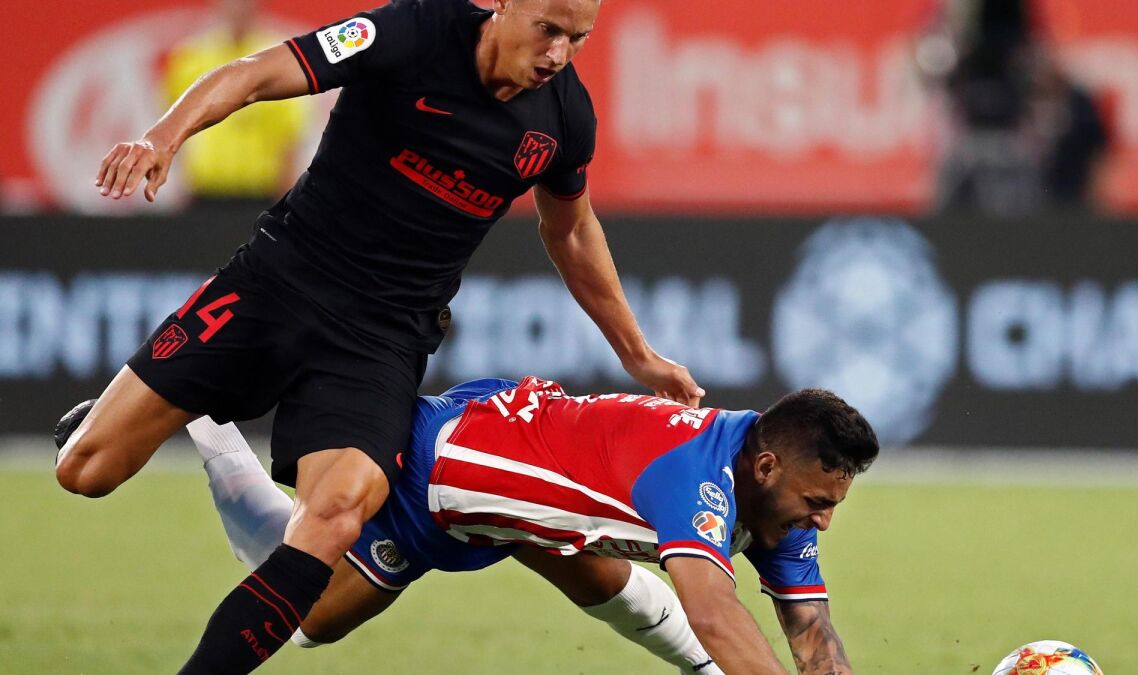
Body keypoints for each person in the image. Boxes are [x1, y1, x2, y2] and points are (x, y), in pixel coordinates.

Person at [55, 0, 701, 672]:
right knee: (85, 470)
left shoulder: (564, 117)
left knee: (337, 513)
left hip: (379, 340)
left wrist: (638, 354)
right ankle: (194, 414)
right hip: (275, 285)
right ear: (505, 5)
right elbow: (253, 73)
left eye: (578, 39)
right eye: (549, 30)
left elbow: (570, 229)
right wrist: (162, 138)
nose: (558, 55)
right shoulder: (411, 30)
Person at [186, 376, 879, 674]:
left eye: (832, 504)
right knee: (310, 622)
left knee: (604, 579)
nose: (821, 521)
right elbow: (715, 613)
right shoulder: (696, 478)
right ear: (765, 466)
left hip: (526, 461)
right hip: (446, 473)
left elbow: (811, 633)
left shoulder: (780, 499)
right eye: (817, 501)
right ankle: (219, 440)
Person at [162, 0, 309, 203]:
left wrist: (286, 194)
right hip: (204, 191)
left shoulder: (278, 59)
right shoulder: (191, 57)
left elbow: (289, 133)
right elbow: (174, 126)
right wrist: (177, 181)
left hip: (260, 191)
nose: (238, 6)